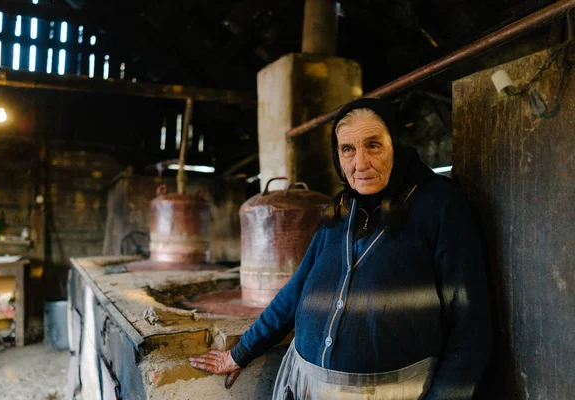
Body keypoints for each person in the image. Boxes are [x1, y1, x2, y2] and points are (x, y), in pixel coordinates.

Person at [190, 98, 492, 399]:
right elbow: (296, 291)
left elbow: (470, 326)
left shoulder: (440, 206)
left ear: (398, 145)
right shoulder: (342, 209)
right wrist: (240, 352)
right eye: (348, 149)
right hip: (306, 386)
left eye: (374, 145)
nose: (360, 164)